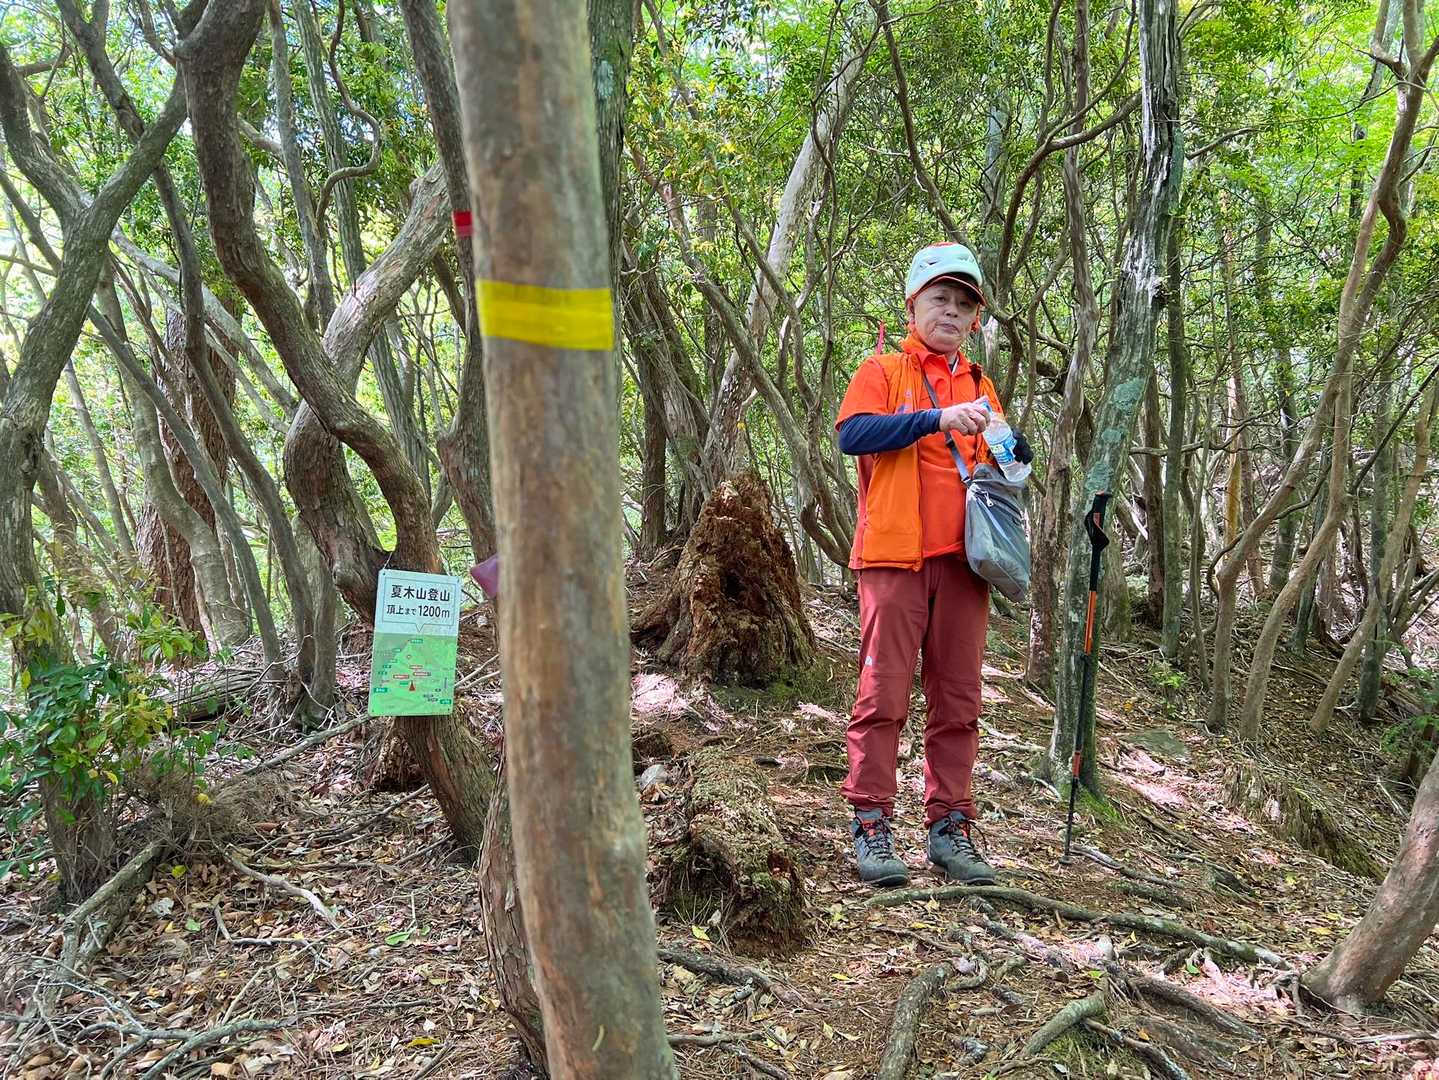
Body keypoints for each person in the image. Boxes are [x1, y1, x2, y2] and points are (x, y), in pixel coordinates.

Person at [834, 241, 1033, 887]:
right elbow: (852, 434)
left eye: (963, 304)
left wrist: (1011, 445)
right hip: (893, 559)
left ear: (975, 320)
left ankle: (949, 828)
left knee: (958, 700)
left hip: (966, 564)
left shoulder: (980, 384)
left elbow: (1011, 466)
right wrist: (935, 418)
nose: (950, 311)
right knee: (883, 695)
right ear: (913, 305)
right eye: (939, 298)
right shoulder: (882, 371)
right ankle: (871, 823)